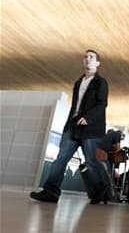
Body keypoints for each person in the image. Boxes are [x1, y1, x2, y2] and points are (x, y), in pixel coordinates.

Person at [30, 49, 109, 204]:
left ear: (97, 63)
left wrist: (88, 118)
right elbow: (75, 106)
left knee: (91, 162)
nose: (87, 59)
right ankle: (51, 191)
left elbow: (102, 104)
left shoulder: (101, 82)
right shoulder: (78, 82)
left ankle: (100, 192)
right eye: (85, 57)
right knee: (61, 159)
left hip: (91, 129)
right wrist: (68, 125)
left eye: (91, 57)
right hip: (73, 127)